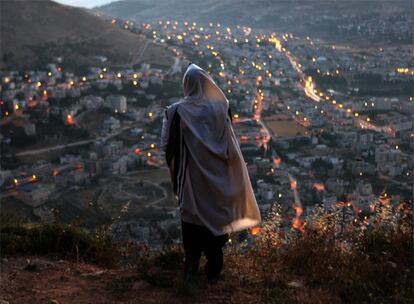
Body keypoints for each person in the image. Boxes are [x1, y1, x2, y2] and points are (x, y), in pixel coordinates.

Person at [160, 63, 261, 283]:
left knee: (191, 223)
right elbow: (231, 144)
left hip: (191, 181)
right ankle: (214, 270)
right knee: (215, 223)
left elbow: (165, 144)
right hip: (219, 181)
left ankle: (191, 268)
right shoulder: (221, 109)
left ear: (187, 84)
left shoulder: (176, 112)